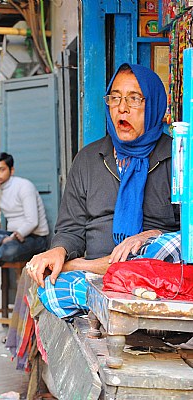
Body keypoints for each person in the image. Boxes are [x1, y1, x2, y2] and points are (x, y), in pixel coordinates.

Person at [26, 63, 180, 318]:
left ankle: (103, 281)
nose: (122, 108)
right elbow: (70, 229)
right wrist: (59, 251)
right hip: (97, 283)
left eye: (134, 99)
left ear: (153, 105)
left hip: (157, 277)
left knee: (169, 246)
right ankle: (110, 287)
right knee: (50, 286)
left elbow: (186, 236)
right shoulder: (89, 159)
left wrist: (148, 236)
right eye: (115, 98)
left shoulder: (178, 158)